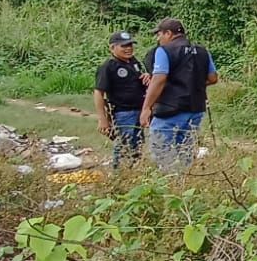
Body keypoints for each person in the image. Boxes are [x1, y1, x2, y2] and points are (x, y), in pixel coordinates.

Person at [140, 18, 218, 171]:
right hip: (195, 109)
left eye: (159, 34)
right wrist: (192, 85)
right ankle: (185, 182)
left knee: (161, 151)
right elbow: (213, 78)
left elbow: (159, 79)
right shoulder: (202, 51)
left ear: (168, 33)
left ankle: (168, 183)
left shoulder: (164, 51)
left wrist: (146, 107)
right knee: (185, 151)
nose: (158, 39)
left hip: (170, 109)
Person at [93, 31, 150, 168]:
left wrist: (148, 76)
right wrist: (102, 119)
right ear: (112, 48)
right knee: (124, 145)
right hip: (123, 113)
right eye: (123, 46)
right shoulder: (108, 66)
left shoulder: (135, 63)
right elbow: (98, 92)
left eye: (130, 45)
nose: (128, 48)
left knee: (138, 144)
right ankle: (120, 174)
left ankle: (134, 172)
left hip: (139, 110)